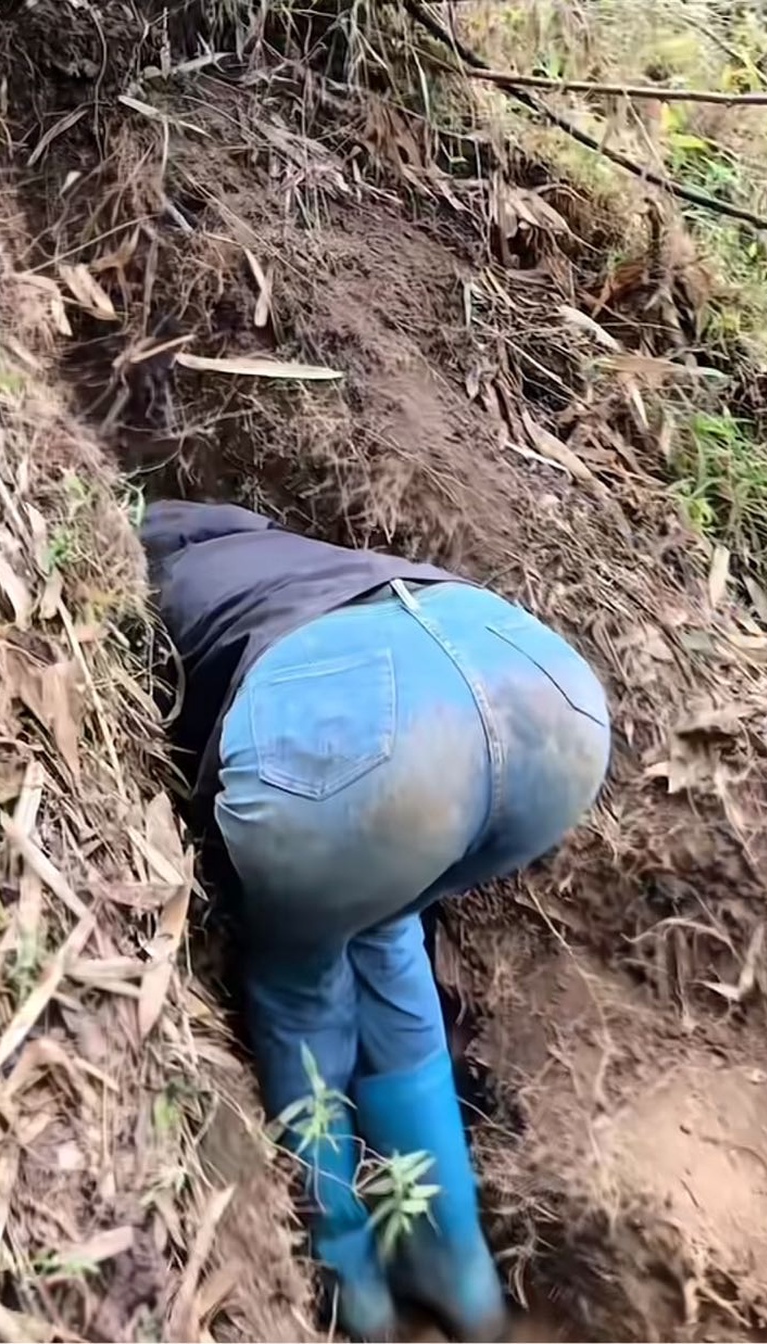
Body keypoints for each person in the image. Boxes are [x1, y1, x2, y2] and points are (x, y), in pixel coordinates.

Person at [144, 500, 610, 1342]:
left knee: (300, 984)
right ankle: (452, 1266)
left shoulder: (152, 569)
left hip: (365, 729)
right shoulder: (288, 555)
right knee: (389, 918)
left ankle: (351, 1278)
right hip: (541, 683)